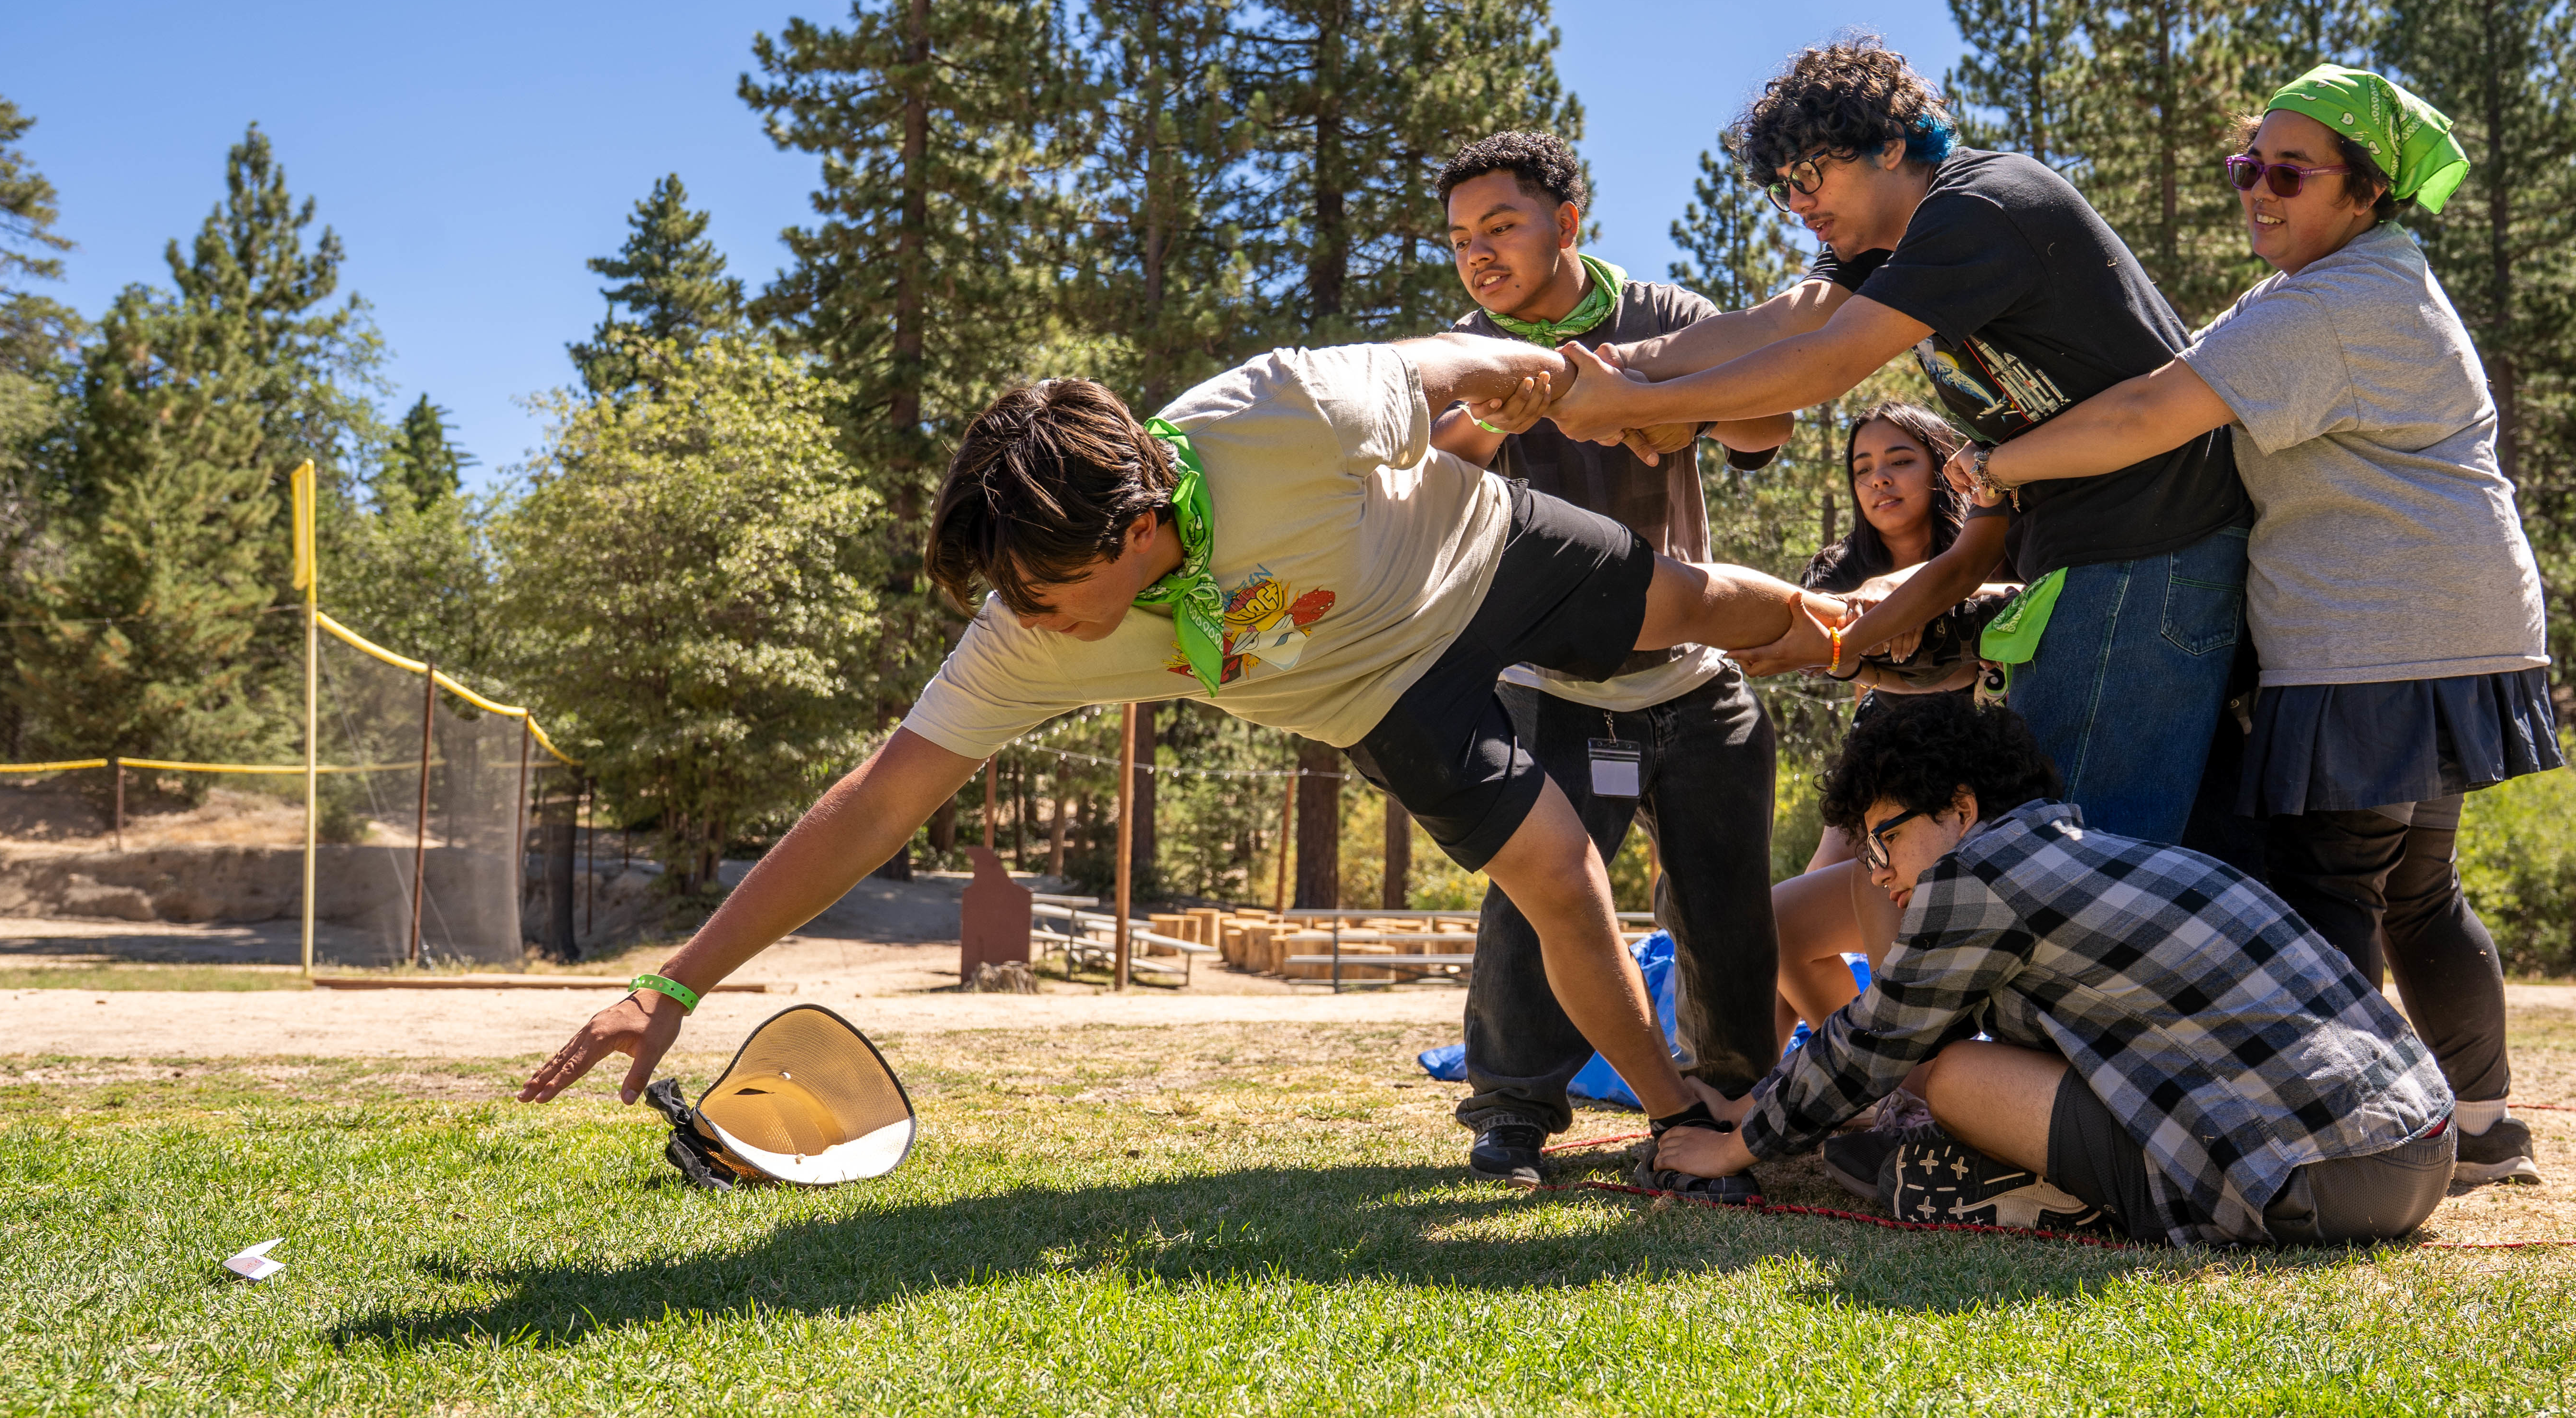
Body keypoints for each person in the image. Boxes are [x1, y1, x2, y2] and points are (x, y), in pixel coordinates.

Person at [516, 334, 1854, 1199]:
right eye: (1011, 597)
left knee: (1707, 610)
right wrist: (673, 983)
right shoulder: (1025, 637)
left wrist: (1528, 375)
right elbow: (879, 798)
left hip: (1477, 550)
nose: (1029, 622)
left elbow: (1443, 367)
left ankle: (1864, 619)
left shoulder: (1270, 414)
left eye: (1047, 590)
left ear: (1142, 523)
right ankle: (1683, 1124)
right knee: (1557, 873)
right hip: (1379, 689)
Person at [1944, 65, 2561, 1186]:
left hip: (2375, 637)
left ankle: (2345, 1137)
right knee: (2420, 888)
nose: (2258, 191)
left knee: (2327, 883)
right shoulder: (2373, 280)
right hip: (2462, 628)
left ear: (2367, 192)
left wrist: (1998, 463)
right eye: (2247, 166)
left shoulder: (2329, 307)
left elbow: (2148, 412)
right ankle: (2482, 1127)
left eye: (2289, 172)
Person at [1546, 34, 2251, 845]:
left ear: (1891, 141)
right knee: (2079, 854)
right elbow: (1783, 321)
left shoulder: (1978, 206)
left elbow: (1826, 360)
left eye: (1811, 172)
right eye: (1782, 189)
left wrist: (1637, 405)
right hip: (2097, 559)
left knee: (2082, 861)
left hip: (2150, 550)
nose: (1798, 201)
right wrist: (1609, 373)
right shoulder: (1890, 250)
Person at [1653, 694, 2457, 1247]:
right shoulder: (2069, 855)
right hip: (2421, 1144)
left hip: (2327, 1179)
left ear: (1959, 811)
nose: (1878, 871)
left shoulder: (1979, 878)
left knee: (1956, 1075)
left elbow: (1882, 1036)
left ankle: (2056, 1202)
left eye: (1884, 839)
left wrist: (1738, 1147)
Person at [1424, 132, 1799, 1190]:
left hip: (1692, 668)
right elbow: (1425, 490)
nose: (1480, 255)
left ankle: (1731, 1103)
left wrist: (1635, 390)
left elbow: (1765, 418)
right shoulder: (1462, 345)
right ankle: (1511, 1109)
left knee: (1727, 906)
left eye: (1502, 226)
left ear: (1568, 225)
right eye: (1461, 238)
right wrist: (1497, 414)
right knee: (1539, 896)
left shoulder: (1666, 316)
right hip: (1547, 683)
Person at [1769, 402, 2001, 1047]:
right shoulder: (1837, 573)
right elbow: (1843, 658)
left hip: (1964, 771)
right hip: (1879, 755)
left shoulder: (1991, 550)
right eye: (1863, 468)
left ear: (1940, 468)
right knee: (1785, 917)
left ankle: (1874, 1076)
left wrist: (1909, 603)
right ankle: (1767, 1079)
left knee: (1825, 918)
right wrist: (1883, 612)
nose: (1879, 480)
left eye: (1900, 461)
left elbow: (1963, 660)